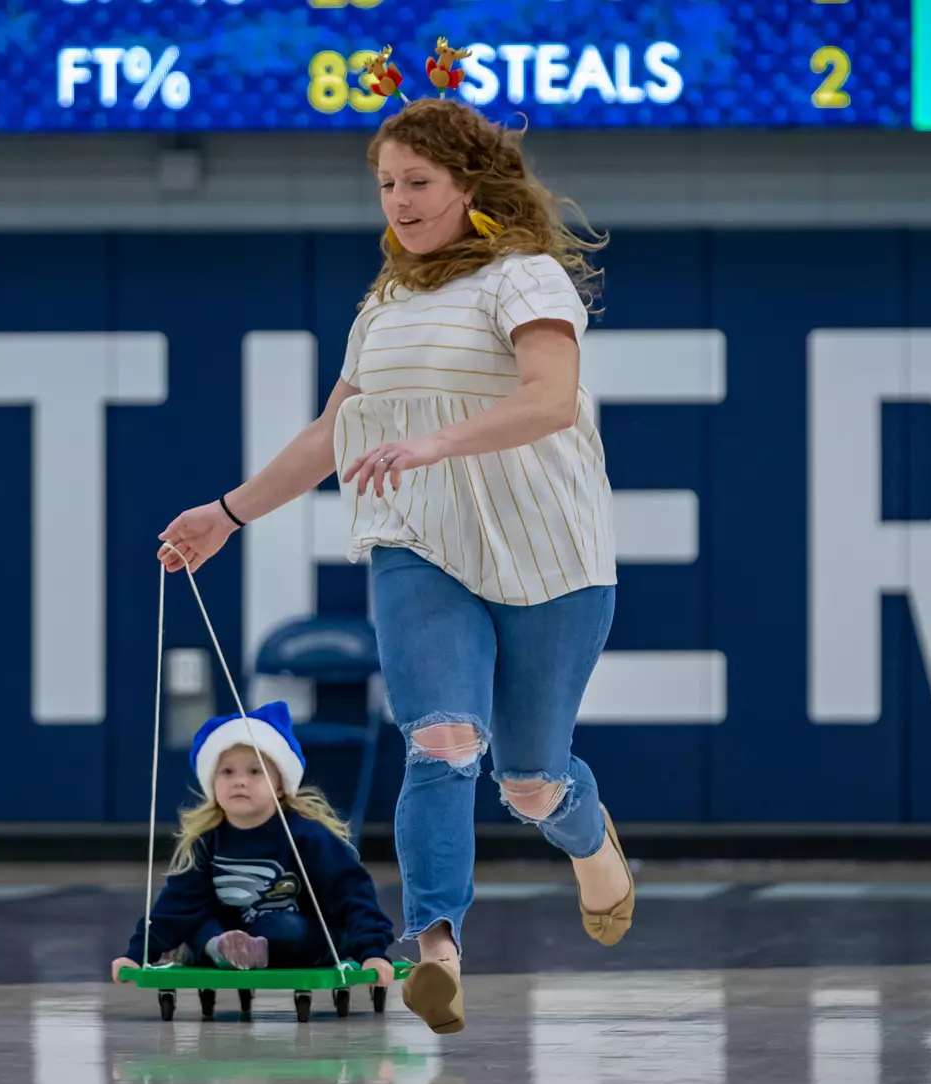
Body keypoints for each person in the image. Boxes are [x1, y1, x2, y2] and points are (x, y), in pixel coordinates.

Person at [155, 93, 634, 1035]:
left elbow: (548, 401)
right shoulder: (384, 305)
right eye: (386, 185)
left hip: (552, 555)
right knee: (442, 741)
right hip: (419, 545)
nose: (400, 201)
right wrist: (227, 513)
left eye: (419, 182)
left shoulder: (526, 278)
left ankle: (591, 842)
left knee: (532, 781)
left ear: (471, 185)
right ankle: (437, 949)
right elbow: (336, 431)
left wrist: (434, 443)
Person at [110, 701, 397, 986]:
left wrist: (371, 951)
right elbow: (176, 906)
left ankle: (239, 950)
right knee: (196, 925)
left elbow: (350, 892)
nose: (240, 782)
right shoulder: (207, 840)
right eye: (227, 772)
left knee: (286, 927)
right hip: (225, 930)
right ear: (212, 782)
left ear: (281, 784)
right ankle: (221, 949)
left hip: (293, 933)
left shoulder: (306, 835)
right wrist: (137, 953)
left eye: (255, 772)